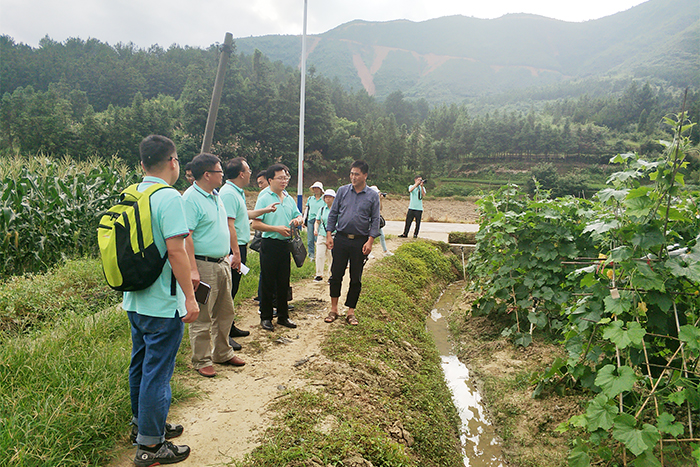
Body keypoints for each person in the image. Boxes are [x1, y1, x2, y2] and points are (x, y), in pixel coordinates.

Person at [123, 135, 198, 466]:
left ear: (142, 165)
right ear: (173, 162)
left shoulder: (133, 193)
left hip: (134, 299)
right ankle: (151, 447)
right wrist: (191, 298)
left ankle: (144, 426)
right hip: (162, 303)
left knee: (140, 364)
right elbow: (175, 250)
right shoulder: (169, 198)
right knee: (158, 372)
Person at [182, 153, 245, 378]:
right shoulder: (190, 199)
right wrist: (192, 269)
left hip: (222, 263)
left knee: (225, 311)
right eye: (219, 171)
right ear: (207, 174)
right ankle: (202, 359)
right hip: (203, 264)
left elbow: (225, 227)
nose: (222, 175)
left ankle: (222, 352)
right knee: (203, 316)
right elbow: (186, 237)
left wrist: (233, 254)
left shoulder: (215, 195)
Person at [220, 158, 278, 348]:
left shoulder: (237, 192)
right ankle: (223, 334)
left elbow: (243, 214)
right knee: (227, 291)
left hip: (239, 247)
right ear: (241, 174)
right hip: (233, 248)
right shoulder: (228, 193)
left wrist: (265, 210)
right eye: (248, 169)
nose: (251, 173)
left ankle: (230, 326)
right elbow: (229, 226)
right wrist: (236, 254)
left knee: (233, 290)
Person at [324, 160, 380, 325]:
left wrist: (370, 241)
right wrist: (329, 234)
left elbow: (375, 220)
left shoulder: (372, 195)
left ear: (365, 175)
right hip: (340, 239)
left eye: (357, 174)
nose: (353, 177)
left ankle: (351, 311)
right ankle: (334, 309)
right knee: (336, 275)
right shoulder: (342, 191)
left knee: (356, 277)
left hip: (360, 242)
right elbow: (333, 214)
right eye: (351, 173)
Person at [251, 164, 303, 332]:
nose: (284, 181)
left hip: (285, 245)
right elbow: (255, 223)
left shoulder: (288, 197)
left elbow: (299, 215)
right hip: (270, 243)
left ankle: (283, 316)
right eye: (280, 178)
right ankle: (266, 317)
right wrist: (277, 229)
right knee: (268, 281)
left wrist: (298, 221)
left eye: (286, 177)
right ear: (270, 180)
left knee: (283, 281)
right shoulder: (265, 197)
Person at [313, 188, 336, 281]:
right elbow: (317, 221)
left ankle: (331, 275)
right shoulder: (322, 209)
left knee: (332, 256)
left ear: (334, 198)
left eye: (330, 197)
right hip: (322, 235)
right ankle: (319, 274)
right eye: (326, 197)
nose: (328, 199)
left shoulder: (337, 210)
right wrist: (315, 229)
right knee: (319, 255)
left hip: (334, 236)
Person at [304, 181, 325, 261]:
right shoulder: (310, 198)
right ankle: (311, 255)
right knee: (310, 239)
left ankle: (319, 255)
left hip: (320, 220)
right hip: (310, 220)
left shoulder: (324, 199)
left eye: (317, 188)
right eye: (314, 188)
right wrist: (303, 219)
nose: (316, 190)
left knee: (318, 239)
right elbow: (307, 209)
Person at [370, 186, 392, 256]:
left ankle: (385, 251)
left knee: (382, 235)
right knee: (369, 237)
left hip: (376, 220)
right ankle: (369, 252)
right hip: (370, 220)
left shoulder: (376, 200)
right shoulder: (369, 199)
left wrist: (380, 200)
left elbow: (380, 209)